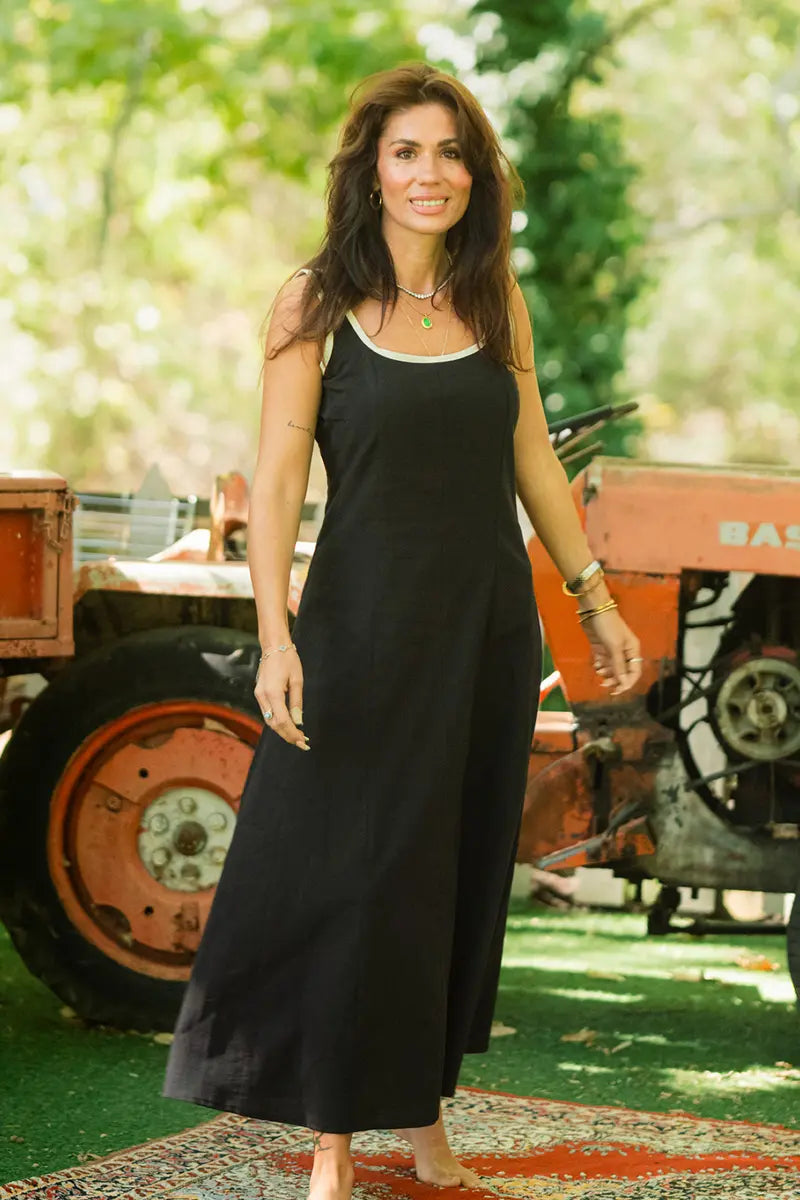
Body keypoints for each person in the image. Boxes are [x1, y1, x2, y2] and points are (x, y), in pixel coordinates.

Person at [162, 62, 642, 1200]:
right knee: (357, 874)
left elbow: (531, 455)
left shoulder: (493, 298)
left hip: (485, 629)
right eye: (406, 152)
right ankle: (332, 1138)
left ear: (475, 174)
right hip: (362, 629)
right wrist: (276, 635)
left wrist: (592, 594)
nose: (431, 174)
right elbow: (280, 478)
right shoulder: (314, 304)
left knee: (454, 873)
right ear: (370, 172)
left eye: (450, 153)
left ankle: (423, 1115)